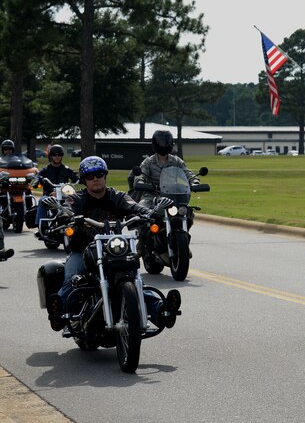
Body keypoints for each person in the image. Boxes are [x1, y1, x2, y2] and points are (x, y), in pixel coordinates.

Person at [46, 156, 180, 330]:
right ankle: (60, 313)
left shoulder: (116, 196)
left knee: (135, 279)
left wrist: (150, 212)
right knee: (72, 278)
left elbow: (135, 207)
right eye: (90, 176)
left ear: (105, 176)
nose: (95, 179)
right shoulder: (78, 198)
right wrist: (66, 215)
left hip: (114, 250)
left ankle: (162, 311)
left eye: (99, 174)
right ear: (84, 179)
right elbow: (68, 208)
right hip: (83, 251)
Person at [129, 130, 199, 206]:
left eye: (166, 142)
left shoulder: (176, 161)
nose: (164, 145)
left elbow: (187, 173)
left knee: (187, 212)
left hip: (173, 196)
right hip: (152, 196)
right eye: (161, 142)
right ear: (155, 143)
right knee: (142, 208)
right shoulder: (148, 162)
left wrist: (194, 182)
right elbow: (141, 175)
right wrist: (140, 183)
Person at [33, 144, 79, 236]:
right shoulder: (46, 169)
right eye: (55, 155)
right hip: (49, 195)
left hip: (65, 195)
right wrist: (37, 180)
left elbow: (75, 178)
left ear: (62, 156)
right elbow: (38, 176)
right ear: (51, 156)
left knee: (77, 200)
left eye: (59, 155)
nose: (57, 157)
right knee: (42, 200)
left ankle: (78, 223)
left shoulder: (66, 169)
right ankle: (40, 227)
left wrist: (81, 179)